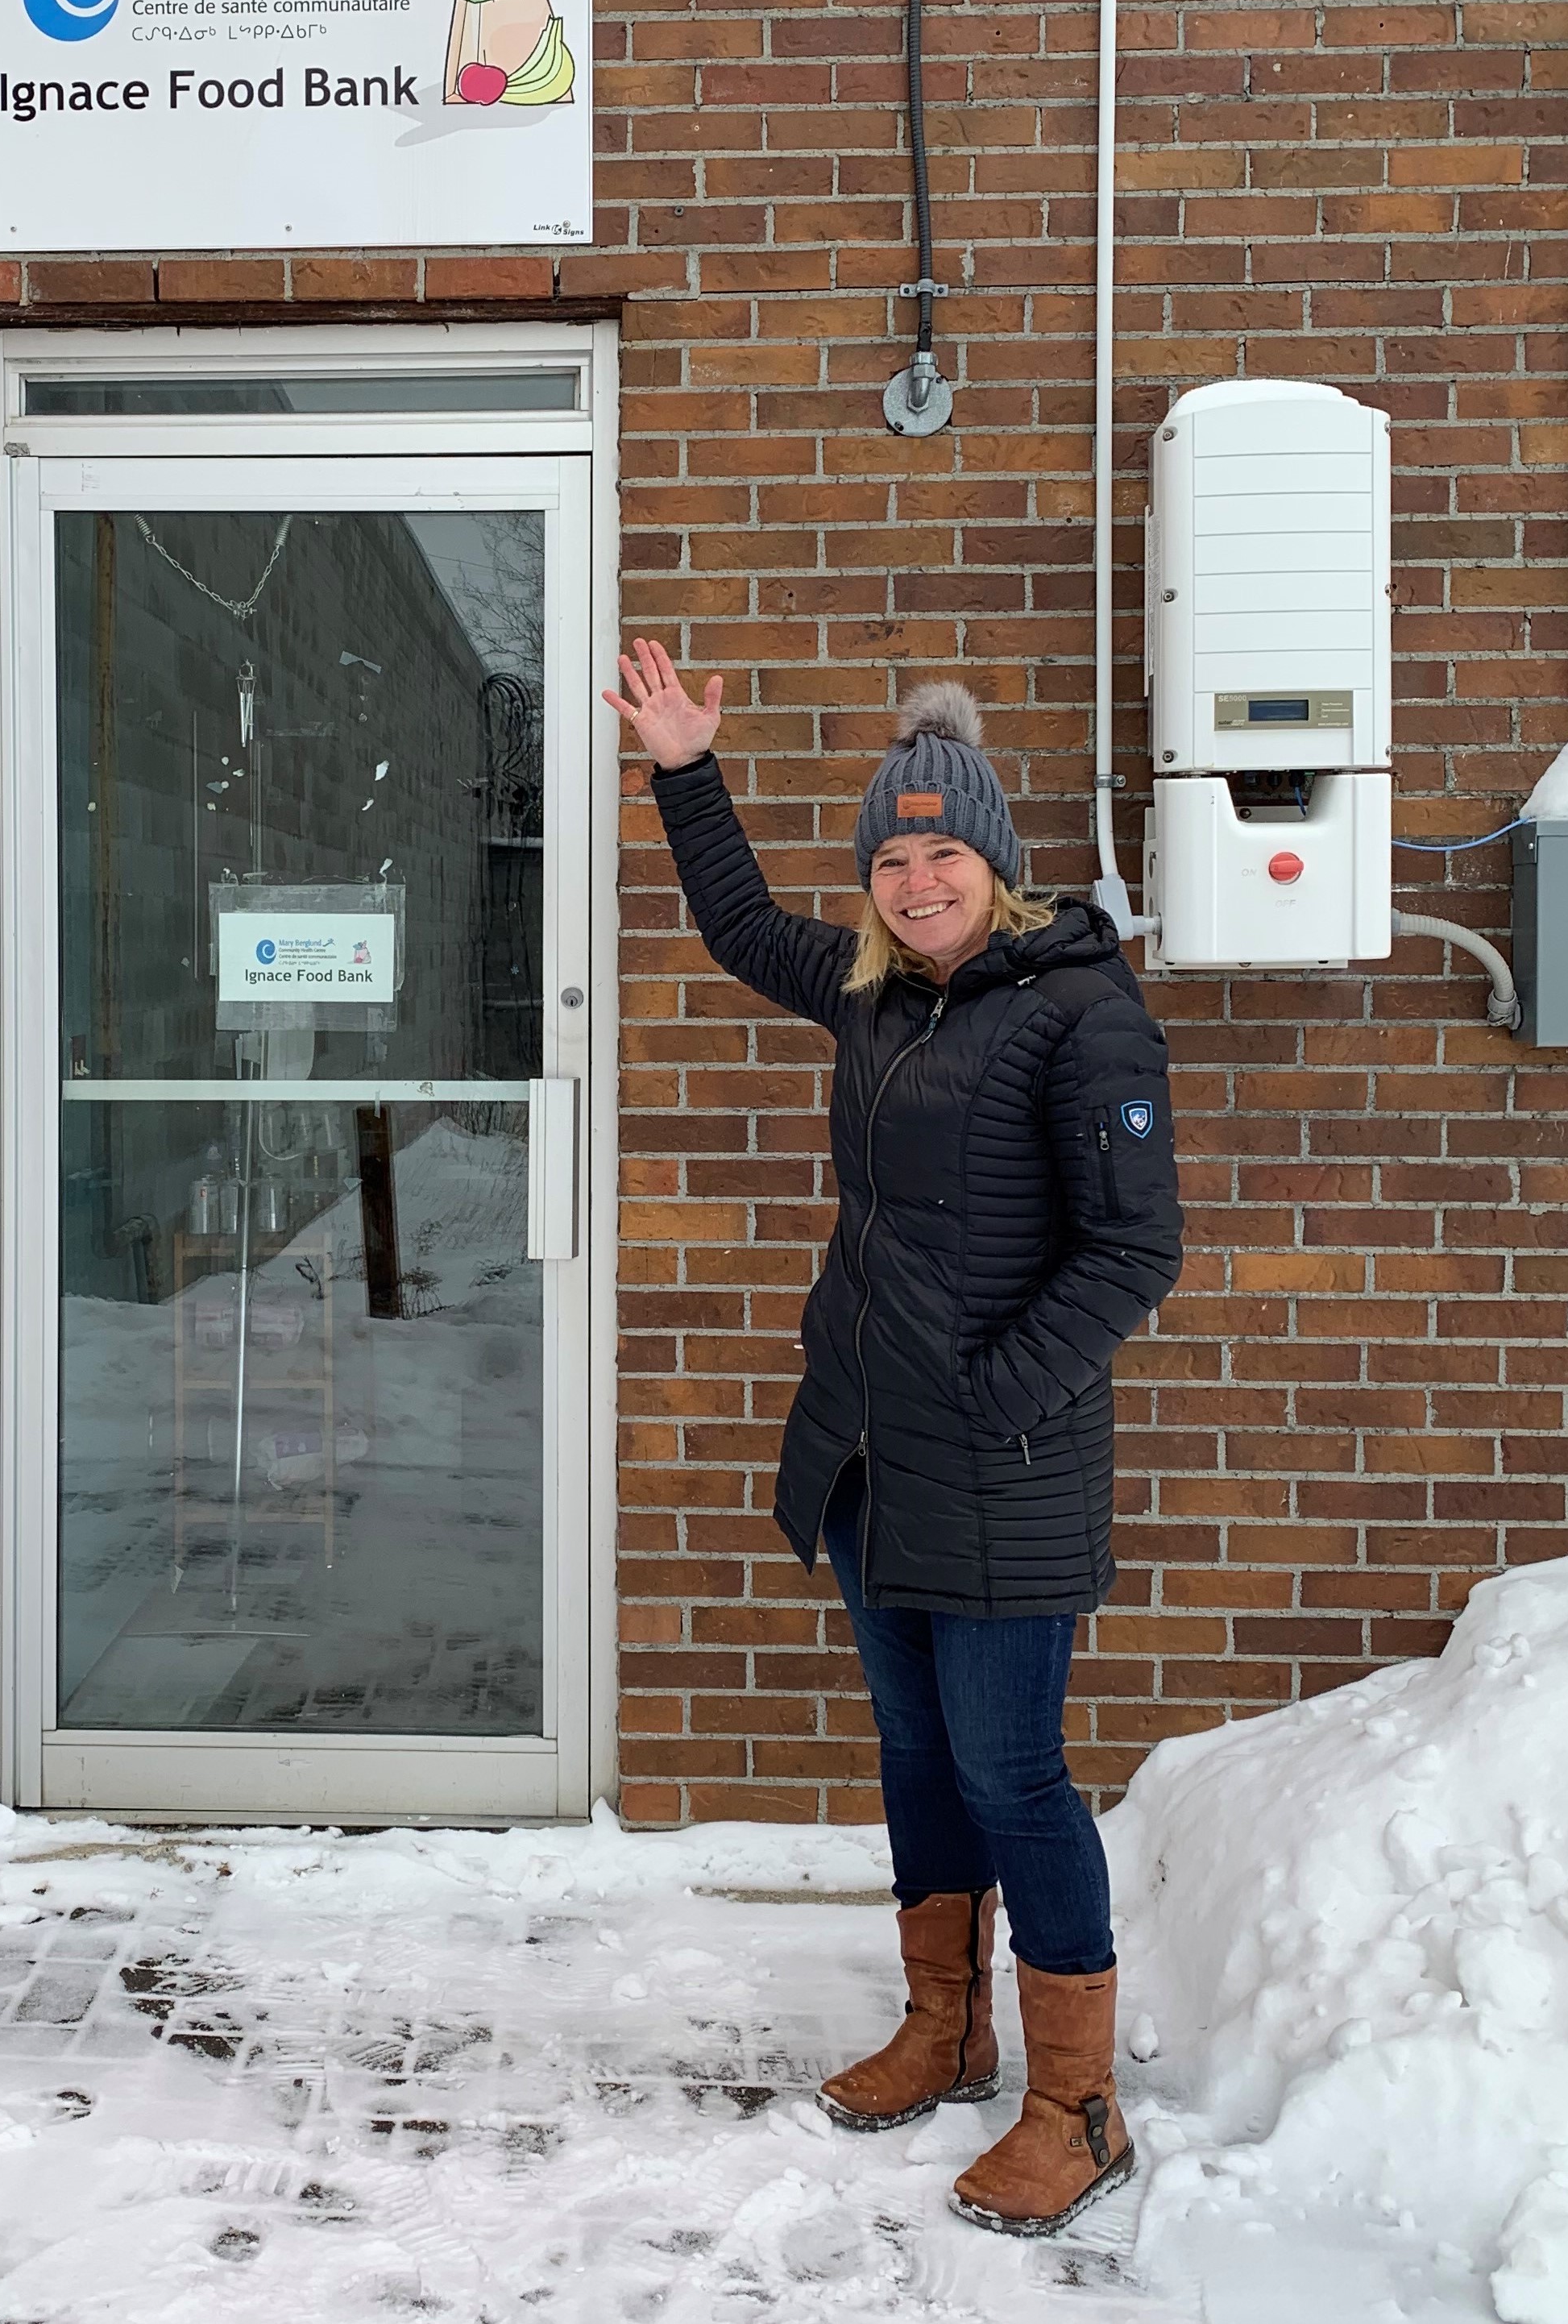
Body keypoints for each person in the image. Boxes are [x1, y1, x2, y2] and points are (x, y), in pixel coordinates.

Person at [603, 641, 1184, 2237]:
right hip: (870, 1454)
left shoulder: (1082, 1012)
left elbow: (1136, 1250)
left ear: (994, 867)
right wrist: (684, 766)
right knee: (920, 1756)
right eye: (892, 855)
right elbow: (735, 926)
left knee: (1014, 1772)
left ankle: (1077, 2104)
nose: (916, 878)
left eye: (944, 852)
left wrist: (998, 1395)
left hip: (1003, 1456)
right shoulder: (871, 991)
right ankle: (947, 2026)